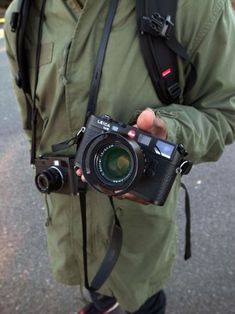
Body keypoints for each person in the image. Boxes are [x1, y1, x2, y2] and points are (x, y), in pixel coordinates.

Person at [4, 0, 235, 313]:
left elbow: (225, 111)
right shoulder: (26, 10)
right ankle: (102, 301)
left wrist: (171, 131)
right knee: (96, 287)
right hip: (67, 224)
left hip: (139, 234)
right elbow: (34, 121)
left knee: (143, 299)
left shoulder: (196, 7)